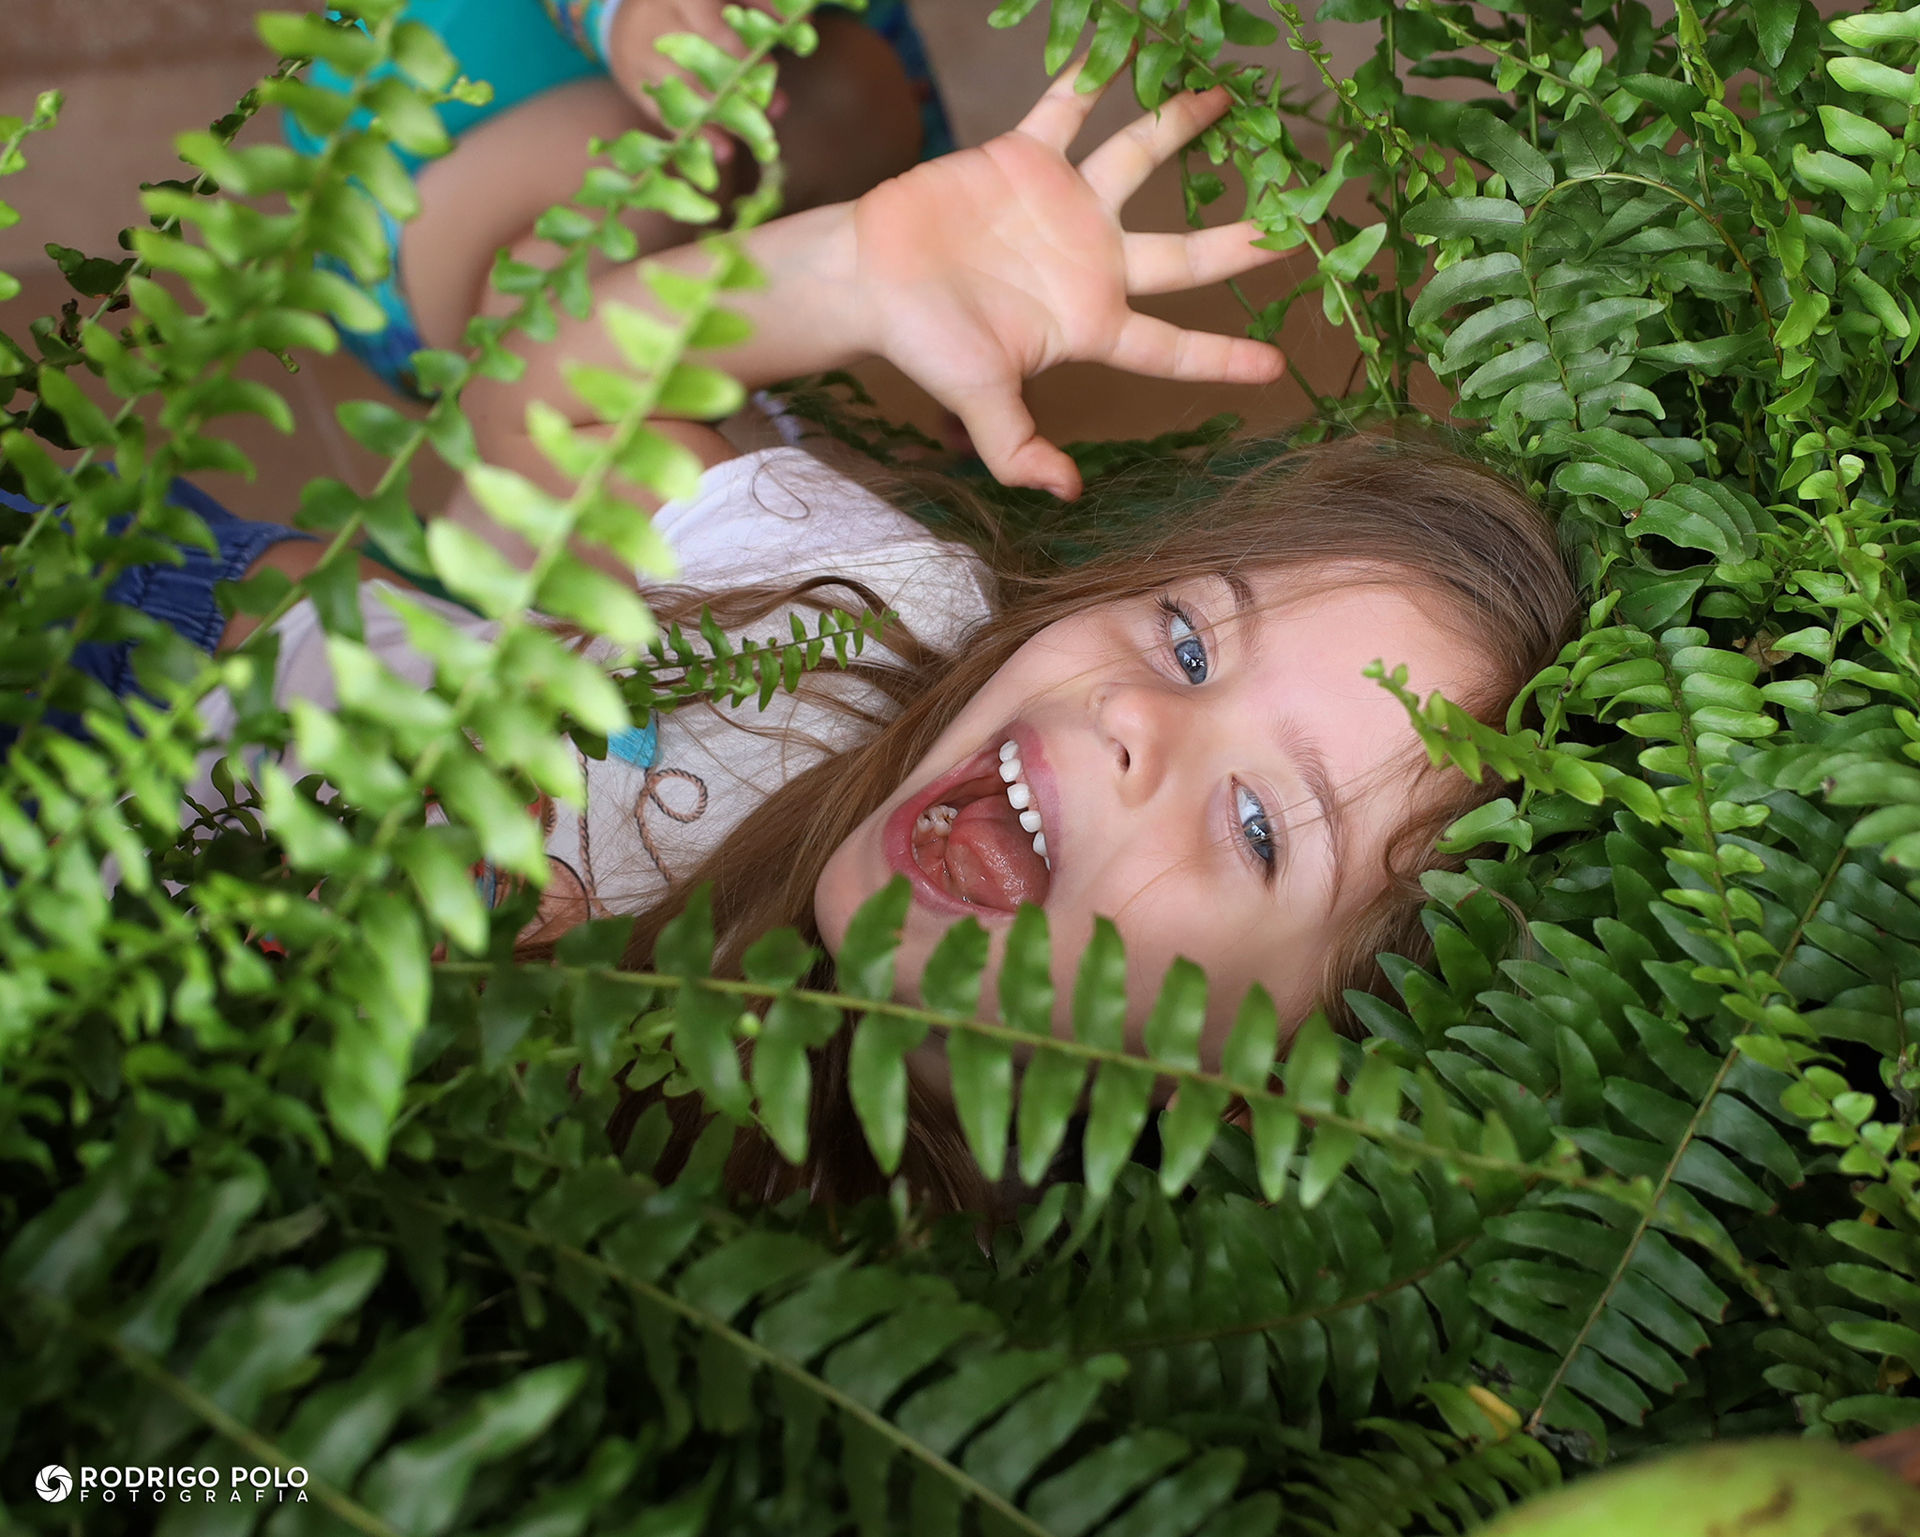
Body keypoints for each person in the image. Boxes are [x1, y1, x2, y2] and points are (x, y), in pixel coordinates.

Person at [18, 67, 1576, 1213]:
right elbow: (537, 394)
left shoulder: (817, 1320)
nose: (1137, 728)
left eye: (1257, 826)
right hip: (133, 628)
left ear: (1265, 1096)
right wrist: (849, 275)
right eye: (1184, 640)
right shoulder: (887, 634)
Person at [286, 0, 949, 399]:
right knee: (626, 163)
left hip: (668, 180)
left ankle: (716, 418)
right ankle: (529, 473)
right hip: (396, 218)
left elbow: (887, 44)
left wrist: (948, 273)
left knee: (854, 91)